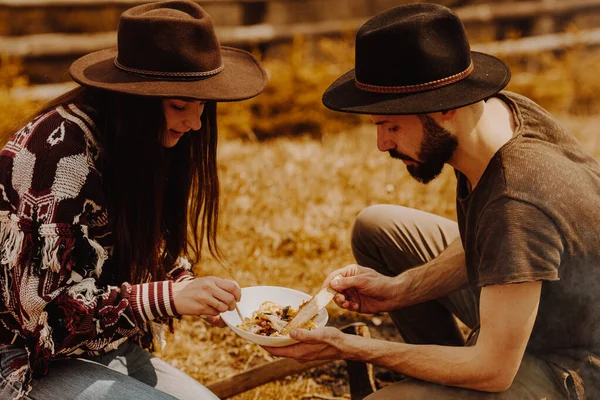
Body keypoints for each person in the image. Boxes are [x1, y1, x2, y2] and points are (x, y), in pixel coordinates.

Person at [265, 3, 599, 399]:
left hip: (572, 362)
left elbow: (493, 371)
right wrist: (399, 289)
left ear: (447, 107)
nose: (382, 144)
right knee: (377, 227)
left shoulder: (518, 199)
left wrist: (353, 348)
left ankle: (450, 380)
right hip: (526, 304)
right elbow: (490, 236)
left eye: (392, 126)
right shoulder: (493, 117)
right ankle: (446, 373)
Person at [0, 1, 267, 399]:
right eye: (179, 106)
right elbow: (45, 319)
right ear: (134, 99)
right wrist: (165, 298)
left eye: (202, 107)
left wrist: (187, 286)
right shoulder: (58, 157)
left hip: (96, 344)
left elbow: (138, 238)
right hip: (22, 354)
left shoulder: (135, 138)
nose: (194, 123)